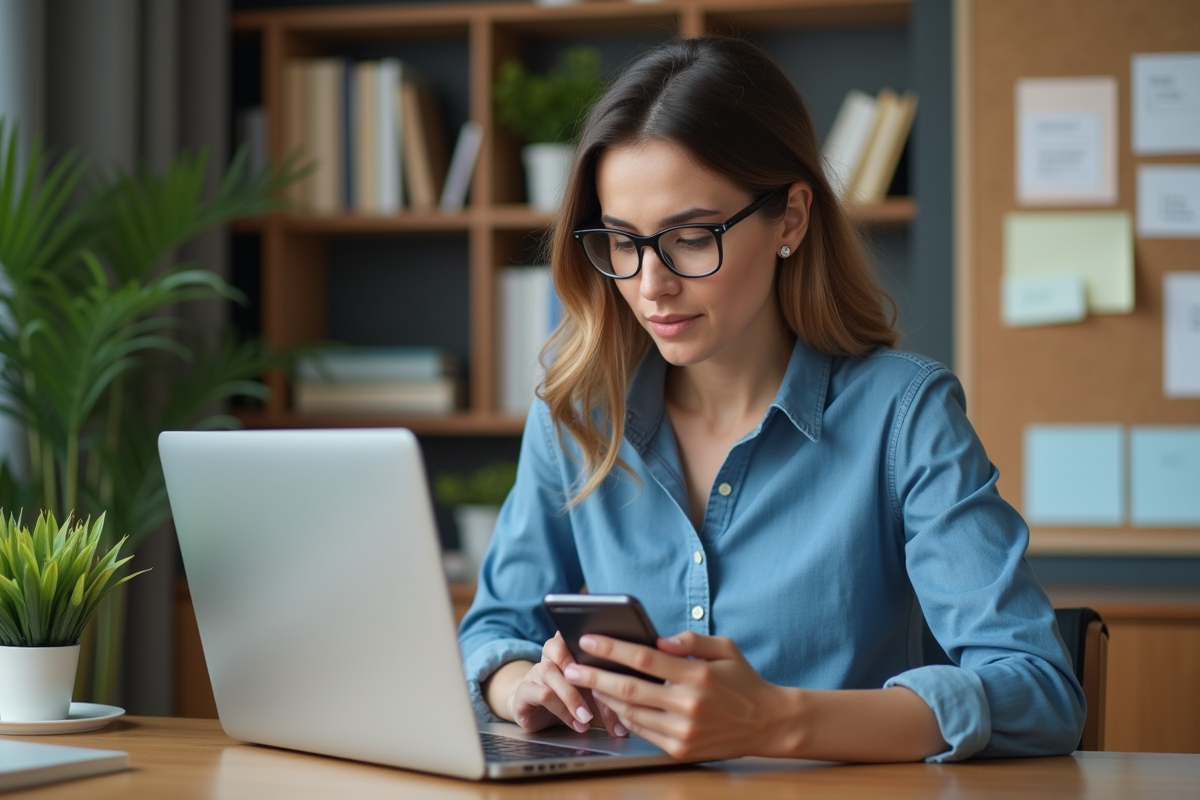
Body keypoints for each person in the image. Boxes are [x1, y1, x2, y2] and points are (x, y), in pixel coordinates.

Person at [457, 36, 1084, 763]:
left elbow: (1040, 692)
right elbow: (493, 630)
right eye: (622, 242)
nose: (650, 284)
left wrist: (777, 722)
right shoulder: (574, 417)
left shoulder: (903, 417)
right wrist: (521, 685)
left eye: (690, 238)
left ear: (790, 217)